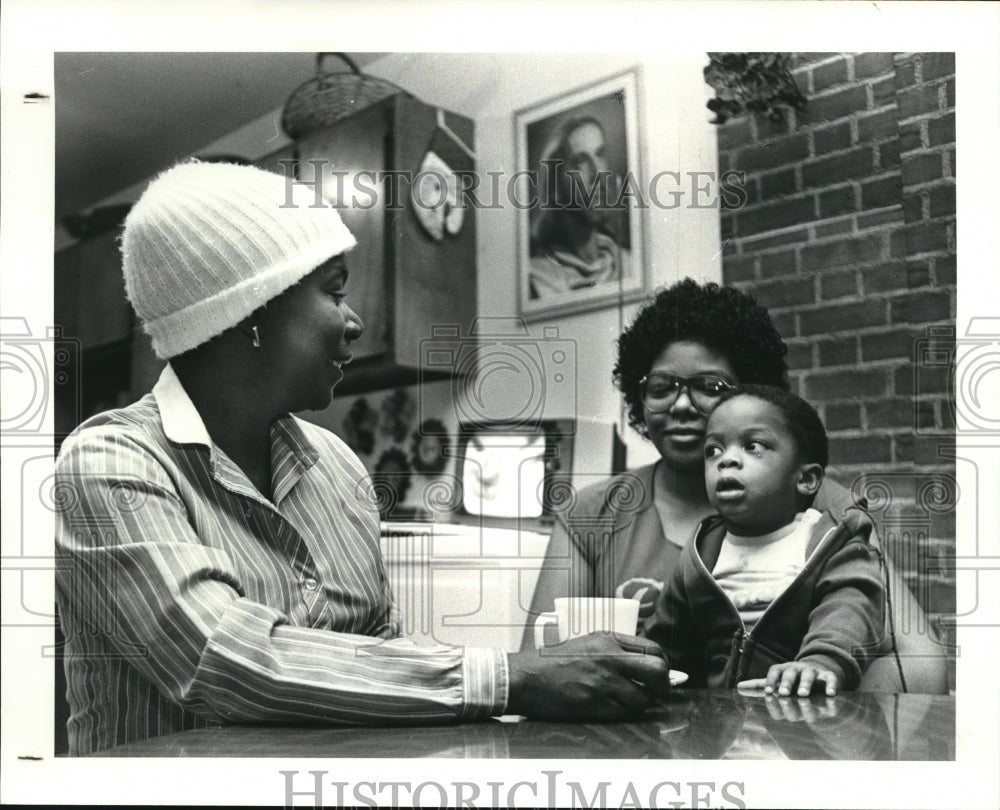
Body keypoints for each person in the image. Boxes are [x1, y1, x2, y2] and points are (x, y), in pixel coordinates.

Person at [54, 161, 670, 756]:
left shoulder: (336, 465)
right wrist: (515, 676)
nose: (354, 321)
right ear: (248, 313)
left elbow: (379, 650)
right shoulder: (110, 464)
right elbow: (223, 661)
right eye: (334, 291)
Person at [522, 278, 948, 695]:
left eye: (710, 387)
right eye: (661, 387)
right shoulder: (594, 513)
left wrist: (819, 699)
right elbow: (538, 663)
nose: (682, 405)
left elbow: (922, 664)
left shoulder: (827, 508)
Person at [645, 385, 885, 696]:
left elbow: (849, 611)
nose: (726, 460)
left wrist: (821, 663)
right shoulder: (700, 553)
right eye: (713, 449)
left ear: (806, 479)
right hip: (719, 727)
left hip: (800, 715)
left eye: (753, 446)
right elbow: (665, 641)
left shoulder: (831, 544)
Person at [528, 115, 630, 298]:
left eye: (599, 154)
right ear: (555, 186)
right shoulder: (537, 278)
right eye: (580, 162)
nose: (598, 174)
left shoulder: (628, 264)